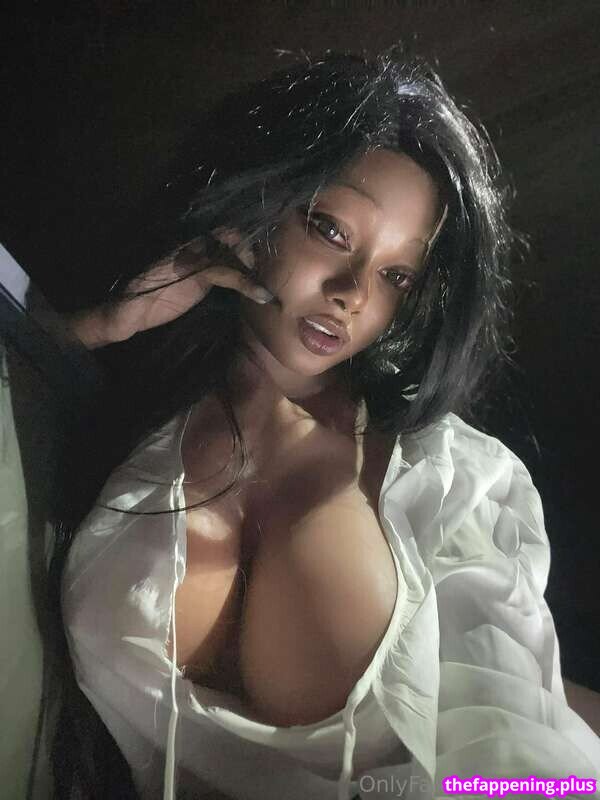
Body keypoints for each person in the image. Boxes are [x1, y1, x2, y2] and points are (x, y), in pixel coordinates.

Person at [50, 48, 600, 800]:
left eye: (395, 275)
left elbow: (517, 751)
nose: (353, 292)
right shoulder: (109, 402)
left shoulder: (448, 477)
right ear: (263, 204)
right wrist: (101, 326)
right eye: (332, 231)